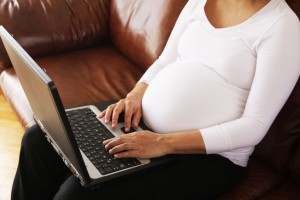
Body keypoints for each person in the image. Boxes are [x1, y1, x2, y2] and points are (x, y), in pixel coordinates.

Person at [11, 0, 300, 199]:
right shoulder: (201, 2)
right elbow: (165, 60)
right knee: (39, 139)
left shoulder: (282, 26)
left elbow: (254, 126)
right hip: (144, 127)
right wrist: (136, 94)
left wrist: (162, 143)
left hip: (210, 158)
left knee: (77, 194)